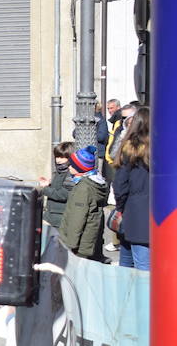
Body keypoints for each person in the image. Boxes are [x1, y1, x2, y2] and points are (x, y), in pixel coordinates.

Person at [112, 106, 151, 270]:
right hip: (158, 213)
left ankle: (128, 296)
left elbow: (120, 185)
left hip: (134, 211)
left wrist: (120, 208)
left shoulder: (129, 150)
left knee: (131, 264)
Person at [58, 145, 109, 262]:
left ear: (80, 168)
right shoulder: (94, 181)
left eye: (72, 165)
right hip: (89, 239)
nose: (69, 167)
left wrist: (70, 244)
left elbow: (78, 218)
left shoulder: (83, 188)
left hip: (79, 244)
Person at [38, 141, 76, 230]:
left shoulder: (71, 173)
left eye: (62, 157)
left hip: (61, 217)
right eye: (57, 156)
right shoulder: (59, 171)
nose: (58, 160)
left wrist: (44, 189)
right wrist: (49, 184)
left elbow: (63, 194)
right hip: (52, 215)